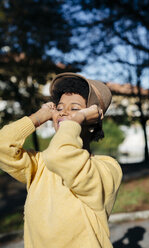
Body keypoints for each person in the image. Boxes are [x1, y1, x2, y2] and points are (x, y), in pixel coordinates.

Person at [0, 72, 122, 248]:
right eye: (59, 108)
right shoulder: (40, 164)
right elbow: (3, 145)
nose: (64, 112)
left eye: (75, 108)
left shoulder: (106, 168)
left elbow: (61, 155)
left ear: (93, 119)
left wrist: (77, 119)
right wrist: (37, 118)